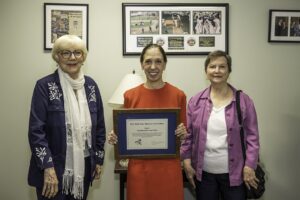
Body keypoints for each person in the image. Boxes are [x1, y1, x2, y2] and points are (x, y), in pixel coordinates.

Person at [28, 35, 106, 200]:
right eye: (66, 53)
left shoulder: (91, 86)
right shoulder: (44, 86)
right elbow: (36, 132)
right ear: (57, 56)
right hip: (53, 169)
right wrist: (48, 168)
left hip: (84, 168)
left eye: (77, 53)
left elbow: (99, 126)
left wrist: (98, 160)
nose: (72, 58)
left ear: (83, 57)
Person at [108, 43, 187, 200]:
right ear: (141, 64)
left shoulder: (178, 95)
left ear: (164, 65)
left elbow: (184, 135)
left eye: (158, 61)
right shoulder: (130, 95)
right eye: (148, 61)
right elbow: (126, 133)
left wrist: (183, 133)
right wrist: (116, 137)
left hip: (169, 170)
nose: (153, 66)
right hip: (139, 170)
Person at [180, 50, 260, 200]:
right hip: (203, 175)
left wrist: (250, 166)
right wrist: (186, 161)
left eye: (222, 67)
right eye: (212, 66)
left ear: (229, 71)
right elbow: (188, 135)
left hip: (236, 175)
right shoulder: (195, 101)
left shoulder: (244, 101)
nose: (217, 71)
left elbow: (252, 137)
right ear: (206, 71)